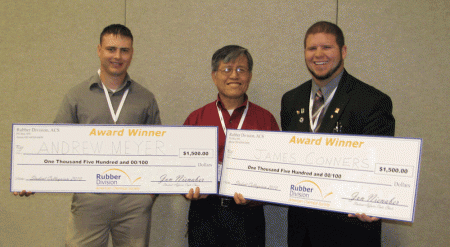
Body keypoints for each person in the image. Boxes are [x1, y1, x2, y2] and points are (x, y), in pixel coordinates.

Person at [281, 21, 395, 246]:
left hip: (349, 232)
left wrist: (374, 201)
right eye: (312, 48)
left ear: (343, 51)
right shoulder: (290, 100)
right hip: (301, 232)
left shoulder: (372, 101)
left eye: (327, 47)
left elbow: (379, 168)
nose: (318, 54)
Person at [53, 24, 160, 246]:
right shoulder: (77, 96)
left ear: (131, 53)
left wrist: (147, 197)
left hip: (133, 202)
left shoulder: (145, 98)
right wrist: (31, 178)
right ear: (99, 50)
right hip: (89, 201)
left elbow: (159, 151)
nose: (117, 56)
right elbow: (56, 145)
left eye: (124, 50)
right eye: (111, 49)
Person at [184, 45, 279, 247]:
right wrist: (186, 189)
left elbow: (276, 173)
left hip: (247, 217)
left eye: (241, 69)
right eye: (227, 69)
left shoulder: (265, 120)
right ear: (214, 76)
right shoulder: (197, 118)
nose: (234, 76)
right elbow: (181, 168)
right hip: (205, 214)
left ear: (250, 76)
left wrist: (256, 195)